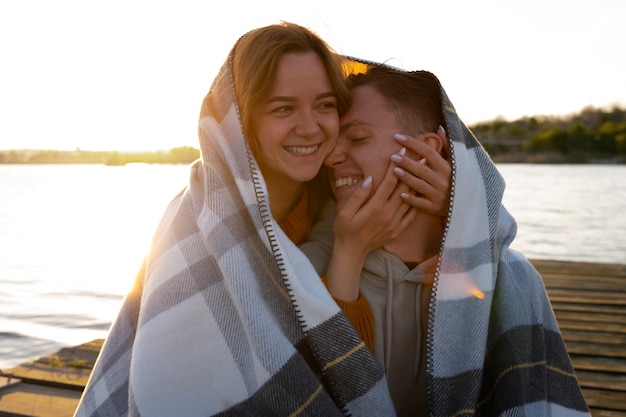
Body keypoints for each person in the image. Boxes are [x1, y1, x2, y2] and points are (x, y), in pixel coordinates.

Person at [74, 23, 449, 416]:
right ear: (242, 119)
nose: (311, 128)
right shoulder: (201, 223)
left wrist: (452, 207)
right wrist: (350, 251)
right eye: (283, 108)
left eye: (325, 105)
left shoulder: (329, 189)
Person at [300, 64, 590, 416]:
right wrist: (348, 253)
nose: (330, 158)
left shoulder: (508, 279)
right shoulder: (305, 268)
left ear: (425, 151)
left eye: (358, 138)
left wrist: (463, 210)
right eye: (331, 142)